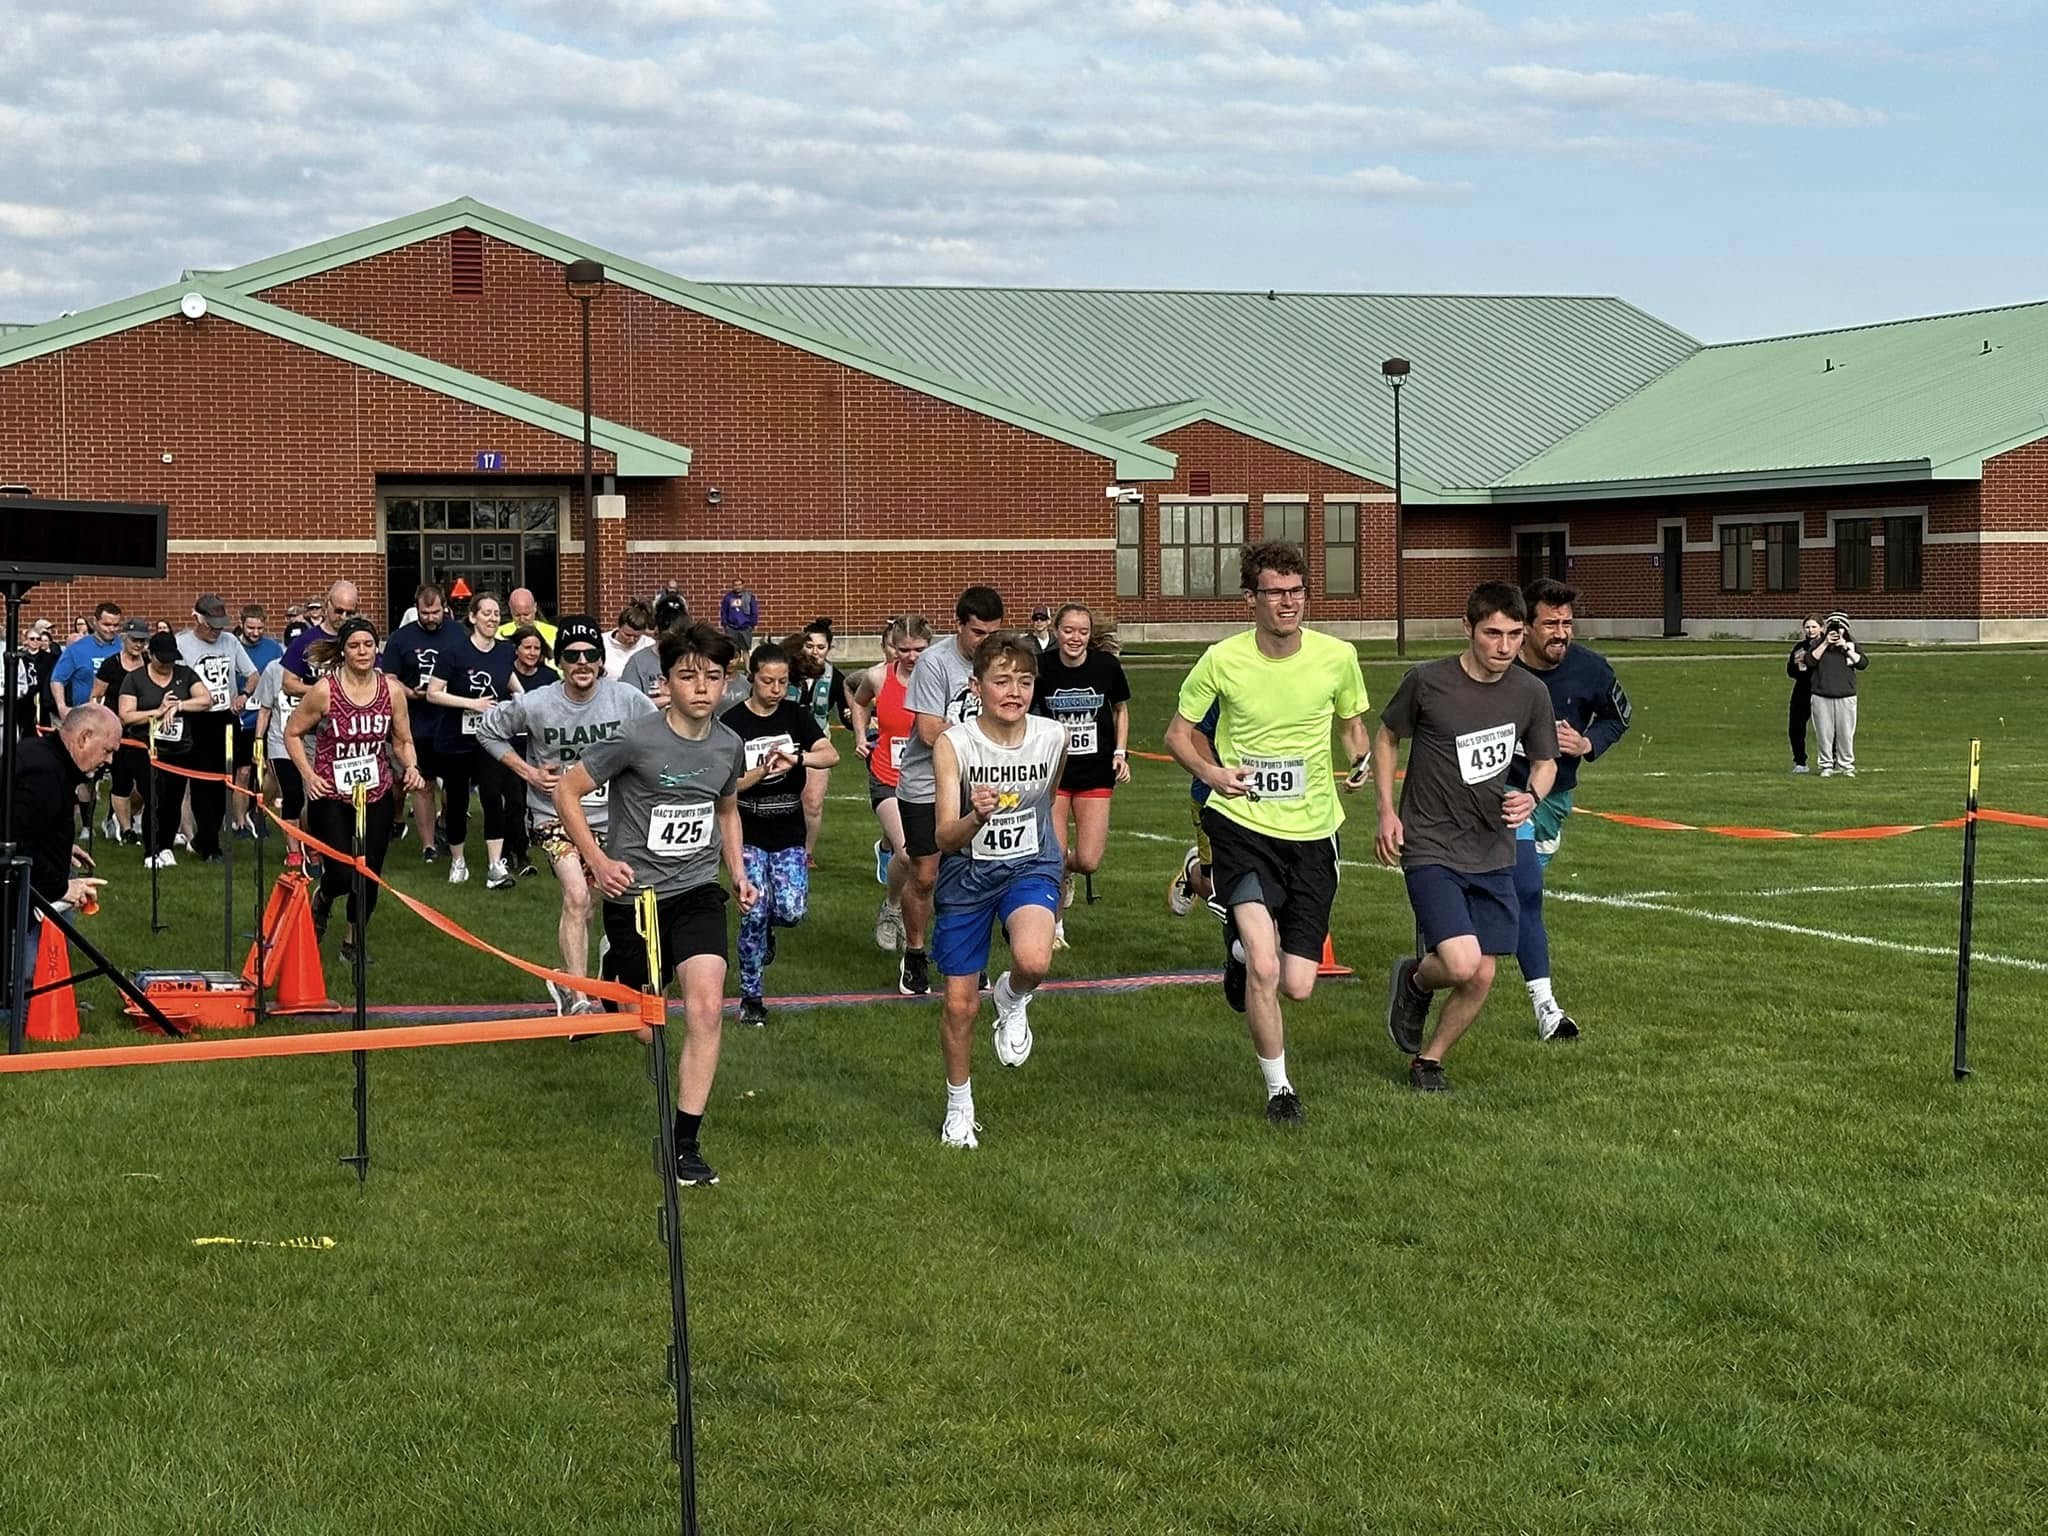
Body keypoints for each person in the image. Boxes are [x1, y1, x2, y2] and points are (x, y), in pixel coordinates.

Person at [1165, 541, 1370, 1125]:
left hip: (1313, 831)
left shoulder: (1337, 656)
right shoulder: (1221, 659)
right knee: (1265, 964)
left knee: (1298, 983)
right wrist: (1212, 773)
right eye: (1275, 593)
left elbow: (1354, 725)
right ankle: (1280, 1089)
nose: (1288, 603)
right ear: (1250, 598)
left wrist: (1357, 760)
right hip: (1242, 824)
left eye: (1297, 591)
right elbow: (1178, 734)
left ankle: (1234, 950)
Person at [554, 623, 758, 1189]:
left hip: (696, 892)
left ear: (725, 683)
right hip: (635, 896)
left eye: (712, 677)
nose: (701, 688)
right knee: (646, 1028)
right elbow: (565, 790)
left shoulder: (727, 745)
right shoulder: (635, 738)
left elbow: (726, 812)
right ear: (665, 681)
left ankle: (684, 1144)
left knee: (707, 1010)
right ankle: (613, 977)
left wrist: (737, 873)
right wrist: (596, 861)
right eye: (687, 676)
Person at [1376, 583, 1560, 1092]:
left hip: (1493, 847)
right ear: (1468, 629)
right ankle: (1416, 979)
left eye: (1515, 635)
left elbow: (1545, 762)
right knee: (1459, 962)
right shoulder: (1428, 682)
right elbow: (1388, 735)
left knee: (1481, 975)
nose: (1505, 647)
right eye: (1493, 634)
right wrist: (1388, 811)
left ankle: (1428, 1061)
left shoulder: (1530, 693)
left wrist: (1531, 797)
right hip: (1431, 843)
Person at [930, 633, 1068, 1150]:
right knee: (960, 1006)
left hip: (1030, 863)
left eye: (1025, 681)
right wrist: (976, 815)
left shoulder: (1053, 737)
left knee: (1033, 960)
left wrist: (1060, 864)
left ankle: (1011, 998)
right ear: (976, 686)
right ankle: (959, 1105)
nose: (1014, 692)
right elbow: (944, 837)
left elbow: (1049, 800)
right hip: (966, 874)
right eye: (1001, 680)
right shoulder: (955, 744)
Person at [479, 616, 656, 1013]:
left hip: (613, 820)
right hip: (554, 816)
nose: (582, 663)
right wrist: (527, 772)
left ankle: (569, 978)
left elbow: (658, 734)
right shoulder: (536, 702)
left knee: (593, 903)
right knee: (576, 895)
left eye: (590, 654)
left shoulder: (625, 699)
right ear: (559, 660)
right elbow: (487, 729)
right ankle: (579, 998)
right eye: (572, 655)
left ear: (600, 660)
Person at [1507, 578, 1633, 1041]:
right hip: (1501, 793)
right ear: (1526, 626)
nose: (1560, 633)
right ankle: (1547, 1008)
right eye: (1550, 624)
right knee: (1524, 889)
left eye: (1567, 623)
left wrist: (1586, 743)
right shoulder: (1502, 664)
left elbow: (1621, 717)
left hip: (1553, 798)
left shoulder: (1591, 670)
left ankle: (1439, 953)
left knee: (1511, 897)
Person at [284, 618, 425, 966]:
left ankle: (352, 941)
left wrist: (411, 767)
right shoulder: (325, 690)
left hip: (374, 793)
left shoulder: (390, 691)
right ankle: (324, 898)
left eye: (368, 645)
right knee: (342, 874)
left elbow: (402, 739)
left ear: (376, 648)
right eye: (354, 646)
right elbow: (292, 732)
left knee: (369, 874)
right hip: (330, 794)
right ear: (343, 651)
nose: (362, 652)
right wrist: (308, 775)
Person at [717, 643, 837, 1026]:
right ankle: (751, 998)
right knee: (752, 912)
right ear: (752, 678)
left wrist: (797, 759)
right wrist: (753, 777)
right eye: (767, 681)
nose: (775, 689)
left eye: (782, 682)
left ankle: (771, 926)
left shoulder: (795, 715)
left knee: (791, 909)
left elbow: (830, 754)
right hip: (748, 833)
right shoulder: (733, 723)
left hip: (788, 832)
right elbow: (723, 784)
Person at [898, 586, 1007, 997]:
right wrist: (983, 734)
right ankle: (914, 952)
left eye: (993, 633)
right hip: (926, 783)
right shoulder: (934, 663)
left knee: (973, 875)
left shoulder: (1001, 662)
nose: (986, 642)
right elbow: (928, 733)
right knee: (925, 875)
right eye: (978, 633)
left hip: (975, 784)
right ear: (959, 624)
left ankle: (967, 957)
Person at [3, 704, 116, 1028]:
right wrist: (63, 887)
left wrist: (63, 847)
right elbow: (16, 842)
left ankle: (46, 996)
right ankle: (22, 1013)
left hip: (36, 876)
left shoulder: (45, 756)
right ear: (83, 738)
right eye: (107, 750)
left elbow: (33, 823)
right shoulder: (44, 772)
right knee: (28, 953)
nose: (108, 760)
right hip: (22, 889)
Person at [1030, 603, 1131, 949]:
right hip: (1054, 776)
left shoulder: (1106, 667)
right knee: (1053, 856)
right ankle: (1055, 927)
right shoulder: (1041, 668)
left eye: (1083, 631)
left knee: (1087, 859)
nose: (1076, 638)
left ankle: (1068, 871)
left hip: (1096, 773)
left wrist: (1120, 752)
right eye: (1069, 630)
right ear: (1056, 631)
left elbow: (1120, 709)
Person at [425, 592, 521, 887]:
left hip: (490, 738)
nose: (492, 618)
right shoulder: (454, 651)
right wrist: (470, 703)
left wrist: (522, 699)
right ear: (473, 617)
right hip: (456, 739)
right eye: (487, 613)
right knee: (457, 800)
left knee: (493, 796)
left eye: (496, 613)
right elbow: (433, 692)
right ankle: (458, 861)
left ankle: (495, 865)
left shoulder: (506, 650)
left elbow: (508, 680)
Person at [848, 616, 931, 954]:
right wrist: (859, 737)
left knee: (932, 861)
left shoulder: (939, 679)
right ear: (893, 648)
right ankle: (892, 908)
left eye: (919, 650)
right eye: (904, 650)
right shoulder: (879, 676)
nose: (912, 657)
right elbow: (859, 701)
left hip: (928, 779)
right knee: (908, 852)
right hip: (887, 775)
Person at [115, 633, 213, 869]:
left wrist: (178, 705)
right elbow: (126, 715)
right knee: (154, 796)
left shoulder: (185, 674)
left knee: (174, 798)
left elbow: (205, 699)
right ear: (151, 655)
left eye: (171, 660)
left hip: (179, 749)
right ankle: (152, 849)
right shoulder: (134, 679)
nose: (167, 665)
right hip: (145, 748)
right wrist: (157, 711)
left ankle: (167, 845)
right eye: (162, 660)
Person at [175, 594, 257, 864]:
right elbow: (173, 681)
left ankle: (206, 838)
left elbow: (253, 674)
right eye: (211, 626)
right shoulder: (182, 644)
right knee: (201, 783)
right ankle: (210, 843)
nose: (216, 632)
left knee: (225, 781)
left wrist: (243, 694)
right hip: (197, 720)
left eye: (220, 626)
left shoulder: (231, 642)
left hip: (226, 718)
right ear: (196, 618)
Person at [380, 584, 458, 863]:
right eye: (424, 613)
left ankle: (447, 825)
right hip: (417, 721)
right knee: (422, 785)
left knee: (454, 785)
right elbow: (389, 676)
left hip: (451, 720)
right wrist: (409, 692)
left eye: (435, 612)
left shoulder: (458, 633)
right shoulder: (401, 639)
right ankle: (428, 846)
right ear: (417, 609)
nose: (430, 618)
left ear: (444, 607)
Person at [89, 619, 152, 842]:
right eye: (135, 640)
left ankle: (127, 816)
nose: (139, 645)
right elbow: (96, 697)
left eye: (143, 641)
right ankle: (126, 829)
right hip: (117, 731)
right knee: (121, 780)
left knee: (146, 783)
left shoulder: (149, 662)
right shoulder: (110, 665)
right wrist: (98, 724)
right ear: (124, 638)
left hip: (144, 729)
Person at [789, 618, 842, 867]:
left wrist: (852, 718)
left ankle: (805, 852)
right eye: (809, 646)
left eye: (820, 647)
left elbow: (847, 709)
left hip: (816, 744)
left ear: (828, 649)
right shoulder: (786, 671)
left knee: (812, 802)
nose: (814, 652)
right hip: (783, 743)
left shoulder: (835, 677)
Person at [231, 604, 283, 836]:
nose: (255, 632)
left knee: (270, 772)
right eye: (251, 627)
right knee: (243, 772)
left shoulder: (274, 648)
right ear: (241, 623)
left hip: (268, 718)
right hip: (242, 719)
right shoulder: (233, 646)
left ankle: (259, 812)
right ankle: (239, 822)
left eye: (260, 628)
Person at [1166, 702, 1220, 917]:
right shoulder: (1223, 680)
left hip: (1262, 802)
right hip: (1210, 797)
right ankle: (1193, 869)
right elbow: (1194, 733)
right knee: (1212, 887)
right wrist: (1220, 777)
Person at [1810, 611, 1869, 777]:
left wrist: (1845, 648)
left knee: (1845, 734)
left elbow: (1862, 664)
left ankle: (1846, 765)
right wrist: (1825, 643)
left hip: (1846, 696)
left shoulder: (1851, 646)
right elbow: (1810, 661)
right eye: (1833, 628)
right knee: (1824, 734)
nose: (1836, 632)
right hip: (1822, 695)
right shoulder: (1818, 644)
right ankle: (1826, 765)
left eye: (1840, 628)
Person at [281, 581, 359, 698]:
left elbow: (379, 675)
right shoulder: (306, 639)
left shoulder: (362, 640)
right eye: (339, 611)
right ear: (328, 604)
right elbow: (288, 684)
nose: (343, 617)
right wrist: (326, 692)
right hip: (318, 710)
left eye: (349, 613)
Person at [49, 602, 123, 721]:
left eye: (116, 625)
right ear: (95, 622)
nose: (111, 629)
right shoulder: (77, 648)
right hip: (84, 717)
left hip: (117, 717)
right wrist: (62, 707)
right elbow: (57, 680)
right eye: (107, 624)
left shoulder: (123, 647)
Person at [1785, 616, 1823, 774]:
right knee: (1796, 726)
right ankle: (1800, 761)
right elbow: (1790, 671)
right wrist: (1799, 666)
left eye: (1814, 627)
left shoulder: (1826, 646)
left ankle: (1831, 759)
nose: (1810, 630)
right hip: (1802, 690)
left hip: (1821, 689)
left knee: (1826, 727)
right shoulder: (1800, 647)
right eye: (1807, 627)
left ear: (1821, 628)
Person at [603, 602, 656, 684]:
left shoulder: (649, 644)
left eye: (637, 637)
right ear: (619, 627)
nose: (631, 640)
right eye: (627, 635)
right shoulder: (603, 642)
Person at [719, 579, 759, 654]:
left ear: (743, 585)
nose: (737, 587)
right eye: (735, 585)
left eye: (739, 585)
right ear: (733, 586)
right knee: (733, 650)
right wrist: (725, 624)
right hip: (731, 627)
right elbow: (724, 611)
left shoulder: (749, 597)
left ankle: (747, 666)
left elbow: (754, 611)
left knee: (745, 650)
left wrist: (753, 624)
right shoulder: (728, 597)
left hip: (745, 627)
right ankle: (734, 665)